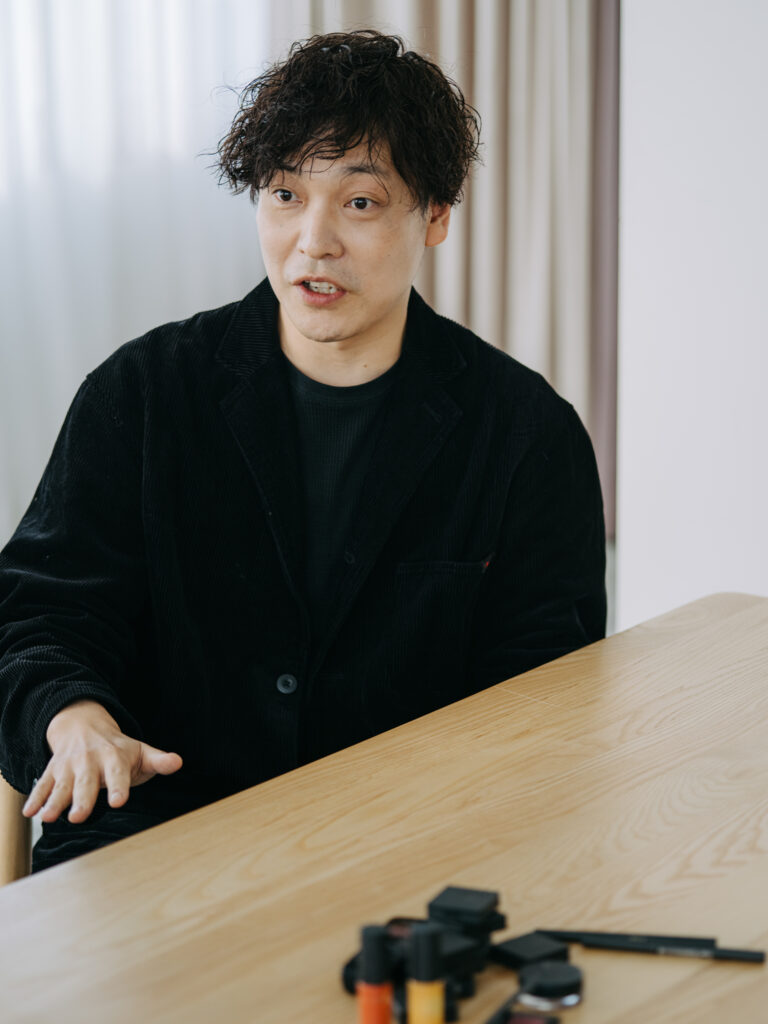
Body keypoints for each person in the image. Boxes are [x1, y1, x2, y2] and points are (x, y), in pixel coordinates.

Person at [0, 30, 606, 873]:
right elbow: (40, 615)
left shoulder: (526, 433)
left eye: (359, 202)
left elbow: (546, 695)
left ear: (435, 215)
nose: (312, 241)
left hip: (406, 847)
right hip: (152, 831)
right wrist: (74, 719)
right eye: (285, 194)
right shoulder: (141, 394)